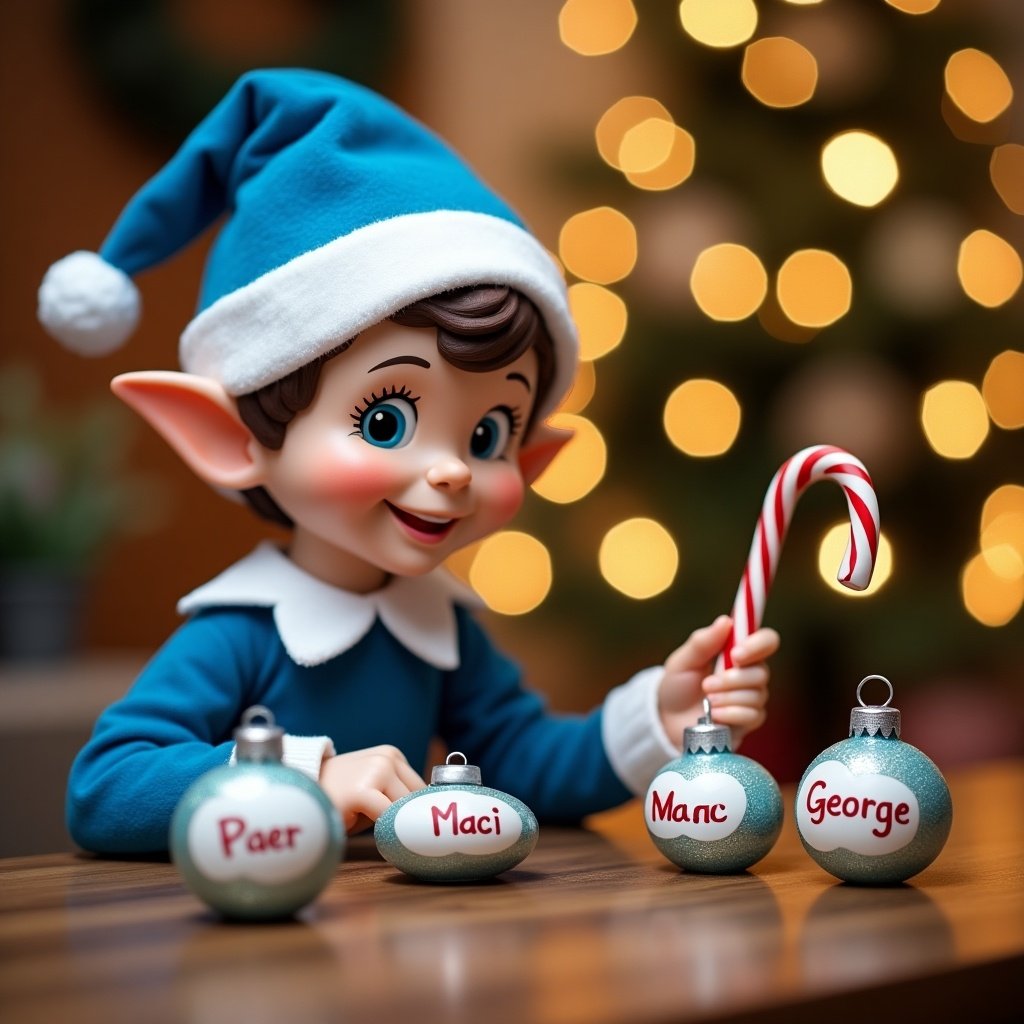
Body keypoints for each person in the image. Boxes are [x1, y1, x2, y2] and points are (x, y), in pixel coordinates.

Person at [38, 69, 777, 854]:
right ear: (227, 435)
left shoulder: (439, 627)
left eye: (489, 434)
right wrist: (303, 781)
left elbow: (528, 763)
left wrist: (654, 722)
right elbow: (106, 785)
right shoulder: (241, 636)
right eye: (386, 420)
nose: (455, 471)